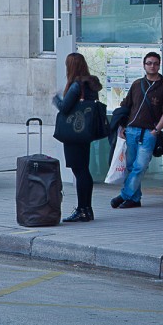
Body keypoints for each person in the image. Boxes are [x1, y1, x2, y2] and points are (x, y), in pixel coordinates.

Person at [110, 51, 163, 209]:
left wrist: (157, 130)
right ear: (144, 65)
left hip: (149, 132)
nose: (152, 66)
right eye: (149, 63)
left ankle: (124, 195)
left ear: (159, 65)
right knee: (131, 166)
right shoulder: (137, 84)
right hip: (132, 130)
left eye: (156, 63)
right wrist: (123, 126)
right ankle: (134, 199)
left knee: (140, 166)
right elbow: (126, 105)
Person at [53, 53, 103, 222]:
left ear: (71, 66)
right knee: (84, 170)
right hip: (85, 133)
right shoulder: (90, 85)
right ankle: (87, 209)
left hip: (73, 133)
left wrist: (56, 99)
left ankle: (82, 209)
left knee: (79, 170)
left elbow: (65, 108)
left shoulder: (76, 86)